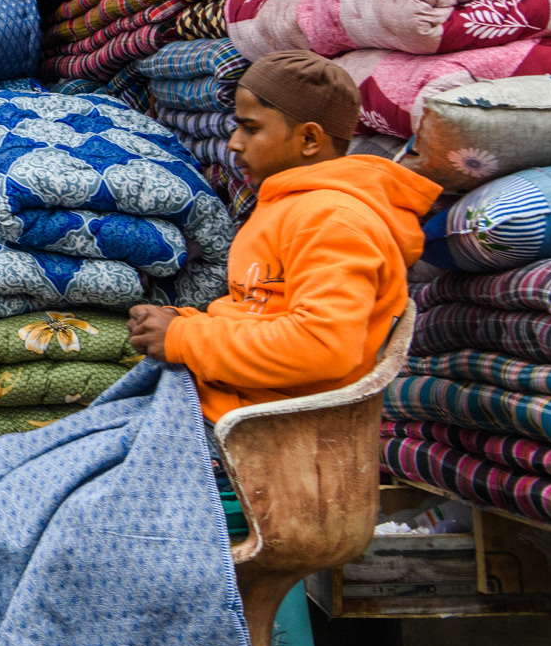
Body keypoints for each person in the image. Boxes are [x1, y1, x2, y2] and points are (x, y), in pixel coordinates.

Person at [127, 50, 439, 421]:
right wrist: (187, 323)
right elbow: (264, 314)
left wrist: (184, 338)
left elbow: (323, 346)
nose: (234, 143)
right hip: (233, 405)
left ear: (309, 139)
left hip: (267, 427)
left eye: (251, 128)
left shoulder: (334, 221)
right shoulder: (288, 206)